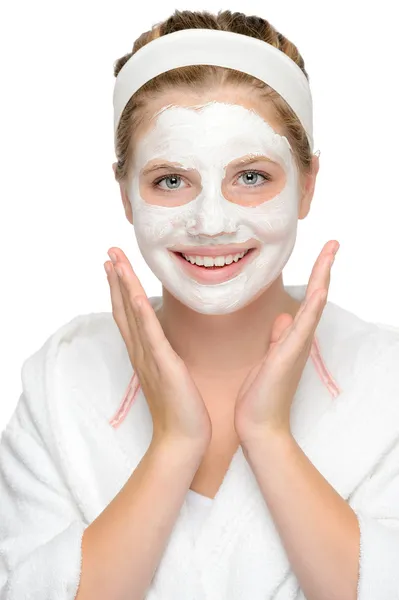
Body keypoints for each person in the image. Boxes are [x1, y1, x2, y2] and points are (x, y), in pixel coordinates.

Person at [1, 9, 398, 600]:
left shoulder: (385, 379)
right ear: (126, 196)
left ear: (309, 183)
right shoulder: (62, 381)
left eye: (252, 177)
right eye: (170, 181)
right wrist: (174, 444)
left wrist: (268, 435)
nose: (211, 223)